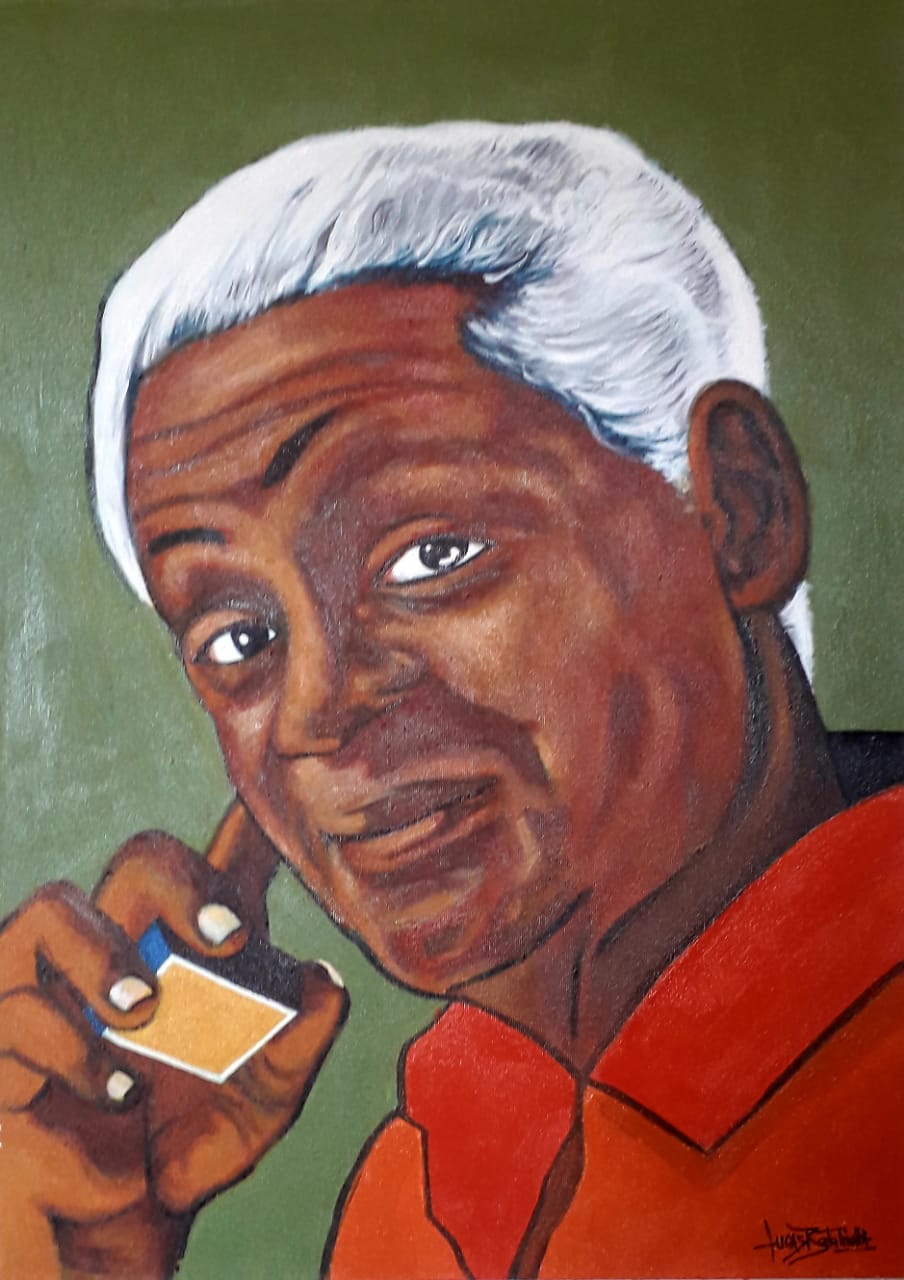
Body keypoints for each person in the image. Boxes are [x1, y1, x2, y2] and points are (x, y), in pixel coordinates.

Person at [1, 123, 900, 1279]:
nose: (315, 711)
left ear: (739, 507)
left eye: (432, 554)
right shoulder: (415, 1191)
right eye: (239, 636)